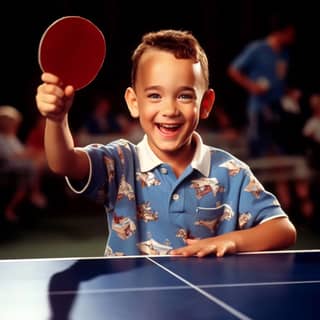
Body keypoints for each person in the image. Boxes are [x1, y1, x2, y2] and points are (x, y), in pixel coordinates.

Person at [35, 29, 296, 257]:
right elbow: (63, 162)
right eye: (155, 95)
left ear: (205, 105)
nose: (169, 109)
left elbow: (283, 230)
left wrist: (230, 240)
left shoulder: (231, 172)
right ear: (133, 102)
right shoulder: (119, 161)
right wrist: (57, 120)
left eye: (184, 96)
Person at [227, 15, 296, 157]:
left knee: (279, 146)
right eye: (290, 34)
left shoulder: (284, 53)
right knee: (258, 146)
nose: (292, 37)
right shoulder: (257, 49)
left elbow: (279, 78)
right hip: (259, 106)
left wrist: (289, 92)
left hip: (278, 107)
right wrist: (252, 86)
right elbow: (233, 70)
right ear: (280, 32)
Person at [0, 105, 47, 222]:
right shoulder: (1, 138)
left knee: (33, 165)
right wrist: (26, 154)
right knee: (32, 166)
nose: (15, 126)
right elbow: (6, 157)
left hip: (19, 166)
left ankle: (30, 195)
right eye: (13, 123)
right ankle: (34, 193)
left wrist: (29, 153)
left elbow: (21, 152)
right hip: (6, 166)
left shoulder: (12, 137)